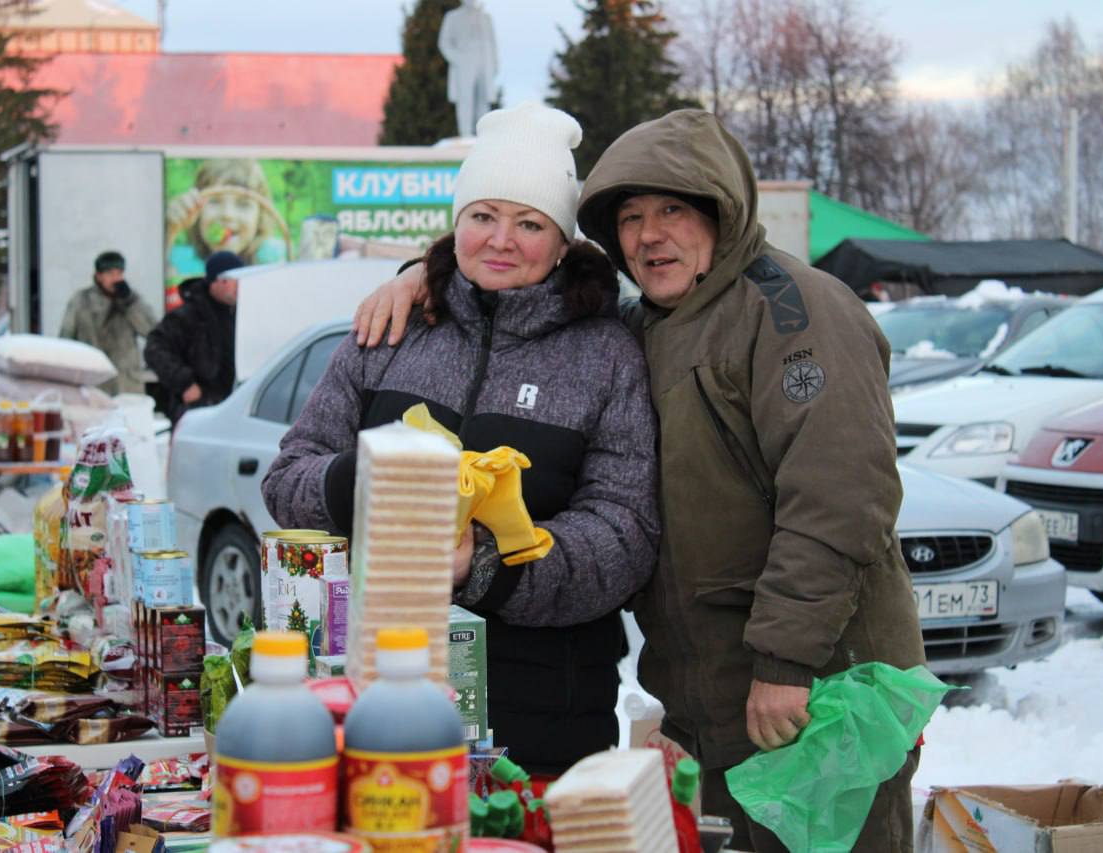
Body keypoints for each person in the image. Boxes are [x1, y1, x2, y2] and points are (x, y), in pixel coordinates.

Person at [353, 109, 926, 852]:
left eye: (673, 210)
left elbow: (840, 498)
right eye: (630, 217)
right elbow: (516, 285)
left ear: (721, 208)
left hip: (818, 692)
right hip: (714, 701)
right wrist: (418, 278)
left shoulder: (793, 309)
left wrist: (789, 662)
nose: (650, 235)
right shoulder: (652, 322)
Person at [261, 102, 659, 775]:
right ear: (456, 224)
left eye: (529, 223)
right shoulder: (392, 329)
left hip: (543, 720)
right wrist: (369, 478)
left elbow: (625, 536)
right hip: (377, 699)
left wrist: (487, 563)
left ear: (563, 243)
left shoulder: (606, 355)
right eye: (482, 216)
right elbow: (285, 480)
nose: (501, 239)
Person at [144, 250, 244, 423]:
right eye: (236, 280)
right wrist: (185, 383)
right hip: (197, 413)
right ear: (217, 280)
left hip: (235, 408)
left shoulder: (243, 313)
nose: (240, 286)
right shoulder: (188, 315)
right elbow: (154, 348)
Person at [165, 158, 287, 295]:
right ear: (196, 211)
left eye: (243, 204)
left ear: (260, 216)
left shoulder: (273, 259)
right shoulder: (180, 260)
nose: (227, 215)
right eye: (215, 201)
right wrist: (170, 231)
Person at [59, 251, 158, 395]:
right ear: (99, 276)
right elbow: (66, 340)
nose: (116, 279)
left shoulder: (132, 299)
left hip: (126, 384)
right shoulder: (81, 301)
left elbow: (151, 331)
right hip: (92, 382)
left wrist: (129, 303)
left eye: (119, 273)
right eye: (110, 274)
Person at [438, 0, 498, 138]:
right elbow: (444, 42)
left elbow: (492, 43)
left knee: (483, 98)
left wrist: (494, 64)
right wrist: (457, 59)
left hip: (484, 60)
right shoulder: (453, 17)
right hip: (464, 60)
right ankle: (466, 133)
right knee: (465, 97)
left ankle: (484, 133)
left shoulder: (486, 18)